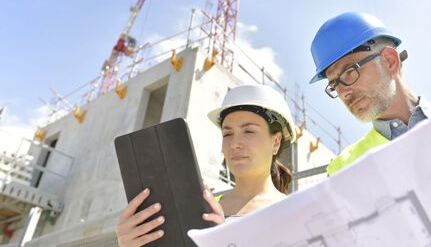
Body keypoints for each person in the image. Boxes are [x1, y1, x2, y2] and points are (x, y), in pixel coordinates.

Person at [115, 84, 296, 246]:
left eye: (248, 131)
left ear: (276, 142)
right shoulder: (202, 208)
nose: (235, 144)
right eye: (227, 134)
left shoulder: (297, 211)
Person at [309, 12, 431, 176]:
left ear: (390, 61)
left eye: (349, 71)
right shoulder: (344, 171)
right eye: (334, 84)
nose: (343, 93)